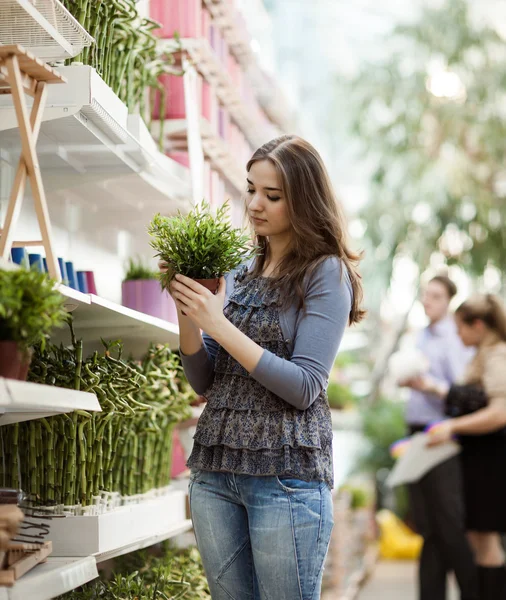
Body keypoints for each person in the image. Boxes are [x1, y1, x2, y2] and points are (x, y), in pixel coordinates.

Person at [164, 135, 364, 600]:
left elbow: (304, 386)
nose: (255, 204)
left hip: (287, 479)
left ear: (304, 201)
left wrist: (218, 322)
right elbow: (204, 381)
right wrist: (188, 312)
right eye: (251, 189)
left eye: (272, 196)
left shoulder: (325, 273)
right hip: (216, 473)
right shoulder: (237, 269)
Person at [401, 276, 479, 600]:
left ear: (448, 301)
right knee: (428, 528)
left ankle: (474, 593)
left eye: (435, 296)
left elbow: (464, 393)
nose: (427, 301)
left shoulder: (456, 338)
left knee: (449, 526)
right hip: (416, 435)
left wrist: (430, 386)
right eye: (424, 295)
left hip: (442, 436)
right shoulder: (421, 336)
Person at [425, 294, 506, 599]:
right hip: (478, 460)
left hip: (491, 462)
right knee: (480, 539)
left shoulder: (496, 355)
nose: (457, 334)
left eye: (460, 327)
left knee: (486, 543)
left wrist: (453, 427)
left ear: (478, 325)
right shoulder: (482, 354)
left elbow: (500, 413)